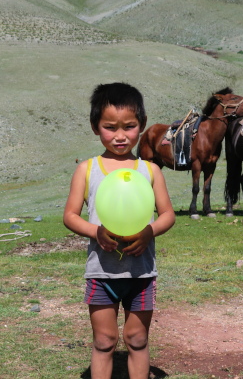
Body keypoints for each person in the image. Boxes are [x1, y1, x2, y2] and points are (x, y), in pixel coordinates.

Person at [63, 82, 175, 379]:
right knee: (104, 341)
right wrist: (95, 232)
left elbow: (167, 215)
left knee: (137, 340)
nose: (121, 135)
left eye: (129, 126)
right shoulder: (87, 169)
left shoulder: (150, 171)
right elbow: (70, 216)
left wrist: (149, 232)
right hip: (102, 273)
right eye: (110, 127)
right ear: (95, 127)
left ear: (142, 125)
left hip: (141, 274)